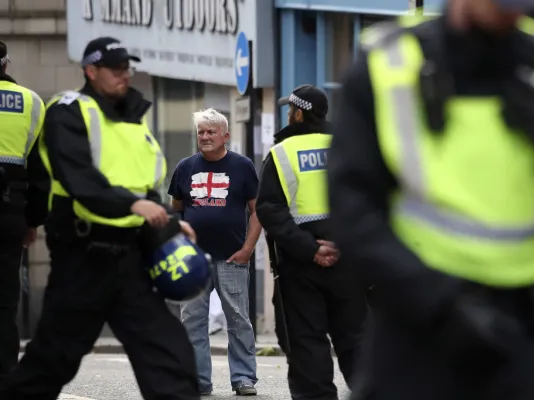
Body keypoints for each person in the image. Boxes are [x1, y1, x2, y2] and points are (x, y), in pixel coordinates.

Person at [328, 0, 534, 398]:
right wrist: (440, 303)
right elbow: (352, 210)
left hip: (530, 335)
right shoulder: (388, 64)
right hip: (416, 335)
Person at [0, 37, 201, 400]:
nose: (124, 76)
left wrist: (170, 225)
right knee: (51, 362)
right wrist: (131, 205)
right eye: (115, 69)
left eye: (128, 68)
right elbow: (79, 178)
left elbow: (146, 190)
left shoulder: (134, 123)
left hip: (130, 261)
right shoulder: (67, 111)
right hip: (83, 258)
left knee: (171, 355)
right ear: (90, 71)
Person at [256, 84, 367, 400]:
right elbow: (370, 201)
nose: (288, 115)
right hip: (350, 265)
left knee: (306, 345)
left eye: (290, 109)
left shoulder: (282, 153)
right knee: (358, 342)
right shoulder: (348, 146)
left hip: (300, 267)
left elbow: (269, 209)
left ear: (299, 113)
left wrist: (311, 249)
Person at [169, 108, 261, 396]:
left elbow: (258, 211)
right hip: (194, 261)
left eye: (211, 131)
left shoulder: (242, 166)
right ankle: (199, 381)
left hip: (233, 258)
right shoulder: (185, 167)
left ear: (226, 136)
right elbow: (177, 210)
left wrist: (248, 249)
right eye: (201, 132)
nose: (205, 136)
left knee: (239, 321)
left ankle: (244, 378)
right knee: (192, 323)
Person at [0, 40, 48, 386]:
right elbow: (39, 171)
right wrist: (33, 221)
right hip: (9, 212)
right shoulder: (30, 102)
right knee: (4, 303)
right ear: (6, 64)